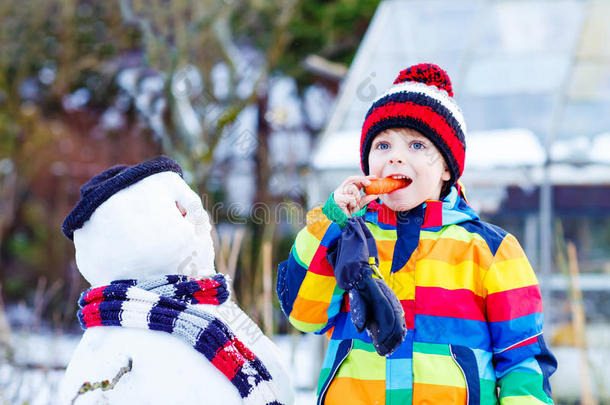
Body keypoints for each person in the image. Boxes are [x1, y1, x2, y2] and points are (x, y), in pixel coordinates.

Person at [276, 63, 557, 405]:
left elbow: (524, 362)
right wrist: (330, 222)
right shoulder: (348, 236)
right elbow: (303, 314)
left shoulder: (490, 250)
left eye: (417, 146)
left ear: (446, 169)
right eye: (382, 146)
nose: (395, 158)